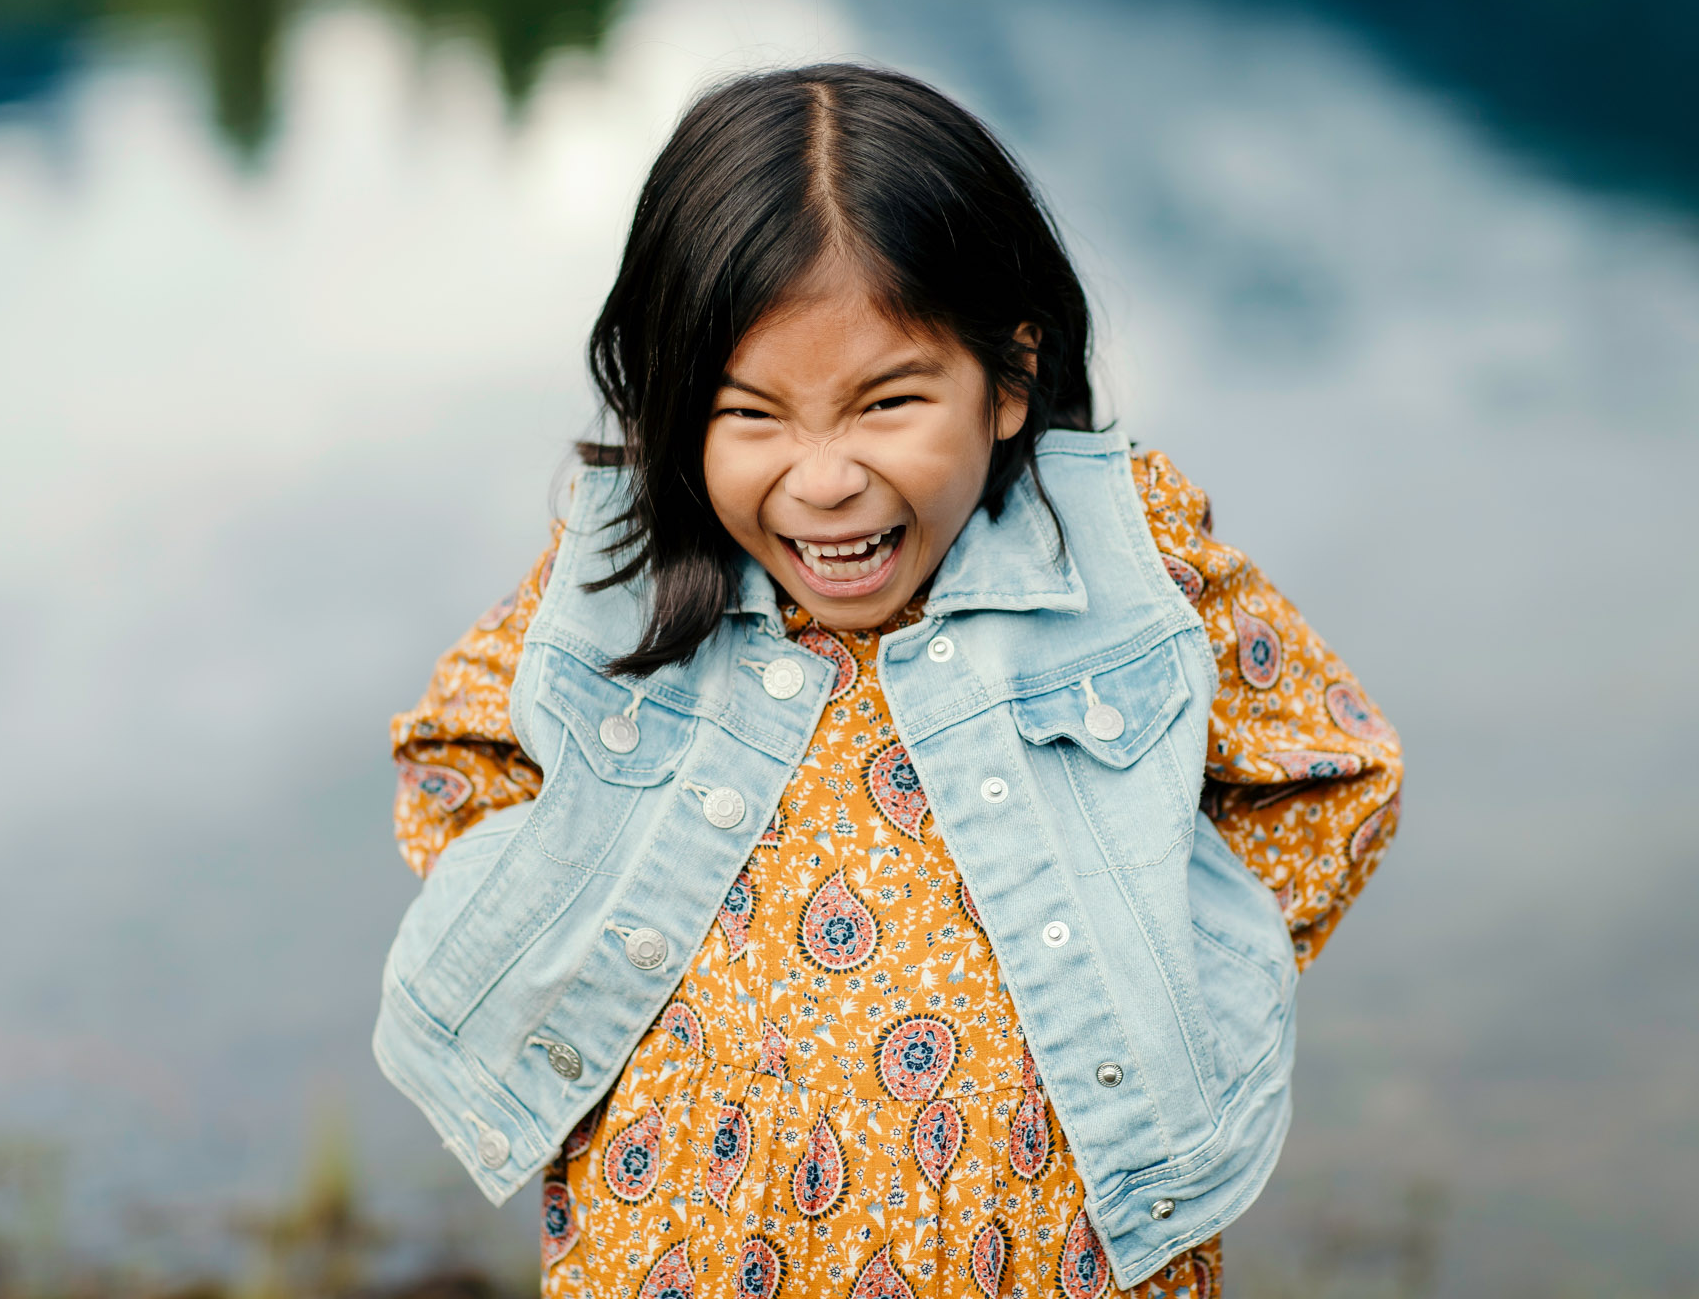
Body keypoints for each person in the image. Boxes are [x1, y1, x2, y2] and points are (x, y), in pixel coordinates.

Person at [375, 64, 1402, 1299]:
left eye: (889, 403)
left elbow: (1332, 771)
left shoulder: (1120, 559)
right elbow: (457, 758)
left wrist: (1162, 969)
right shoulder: (626, 577)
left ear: (1009, 378)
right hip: (683, 1241)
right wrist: (584, 937)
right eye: (751, 415)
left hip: (1044, 1250)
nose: (822, 479)